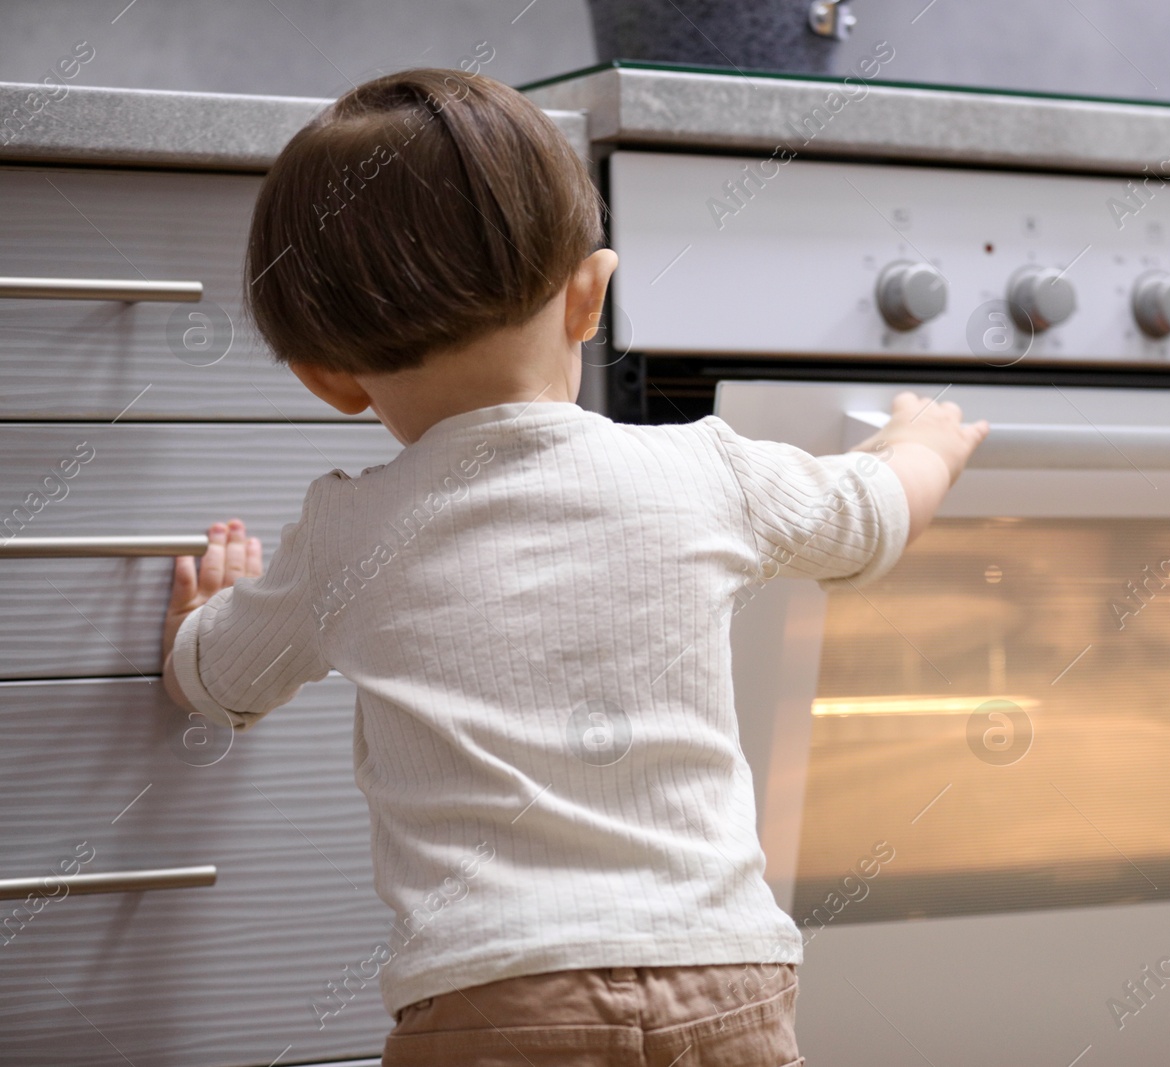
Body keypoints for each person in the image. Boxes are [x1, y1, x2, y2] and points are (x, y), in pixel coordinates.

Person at [161, 67, 987, 1067]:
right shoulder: (705, 466)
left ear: (326, 376)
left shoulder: (346, 532)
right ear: (589, 296)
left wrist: (197, 624)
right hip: (725, 976)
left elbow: (220, 681)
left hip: (493, 998)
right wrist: (921, 446)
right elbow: (873, 518)